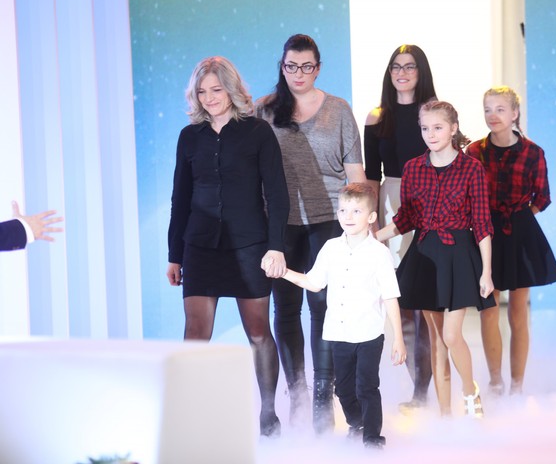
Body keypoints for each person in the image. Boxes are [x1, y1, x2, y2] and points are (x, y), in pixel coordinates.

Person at [166, 56, 289, 437]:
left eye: (216, 89)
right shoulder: (190, 137)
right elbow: (180, 198)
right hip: (200, 246)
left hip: (250, 246)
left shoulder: (258, 132)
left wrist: (276, 247)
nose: (209, 98)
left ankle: (268, 414)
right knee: (195, 332)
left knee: (258, 332)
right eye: (202, 92)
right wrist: (174, 255)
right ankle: (193, 416)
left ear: (231, 89)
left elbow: (277, 194)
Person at [255, 34, 367, 434]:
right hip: (279, 223)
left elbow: (355, 174)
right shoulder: (264, 111)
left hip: (328, 220)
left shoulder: (338, 109)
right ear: (282, 67)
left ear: (318, 68)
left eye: (306, 66)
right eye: (291, 66)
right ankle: (297, 392)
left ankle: (323, 394)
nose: (298, 74)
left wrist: (361, 226)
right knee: (285, 308)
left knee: (323, 306)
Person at [376, 100, 495, 418]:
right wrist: (373, 238)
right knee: (437, 339)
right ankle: (444, 415)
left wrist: (486, 272)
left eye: (438, 127)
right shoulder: (413, 168)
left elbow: (482, 223)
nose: (430, 134)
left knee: (451, 335)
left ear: (453, 128)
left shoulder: (471, 168)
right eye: (425, 128)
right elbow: (406, 218)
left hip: (459, 255)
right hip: (425, 254)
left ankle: (470, 392)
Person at [265, 182, 406, 448]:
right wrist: (282, 271)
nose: (348, 216)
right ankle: (357, 422)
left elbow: (390, 297)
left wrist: (398, 339)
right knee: (343, 389)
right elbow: (314, 282)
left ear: (371, 217)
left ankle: (373, 438)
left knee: (367, 387)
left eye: (356, 211)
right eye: (343, 210)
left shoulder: (379, 254)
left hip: (368, 334)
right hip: (339, 334)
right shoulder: (331, 248)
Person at [466, 86, 556, 396]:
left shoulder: (533, 152)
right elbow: (467, 195)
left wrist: (520, 217)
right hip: (485, 234)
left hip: (520, 233)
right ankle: (495, 382)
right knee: (488, 308)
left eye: (500, 109)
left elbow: (543, 197)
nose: (492, 115)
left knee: (518, 311)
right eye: (488, 110)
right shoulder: (474, 152)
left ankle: (517, 386)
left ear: (515, 113)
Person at [363, 44, 435, 411]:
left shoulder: (433, 112)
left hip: (430, 204)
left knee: (428, 305)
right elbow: (370, 177)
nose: (401, 73)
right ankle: (417, 390)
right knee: (401, 301)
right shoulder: (377, 117)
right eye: (395, 67)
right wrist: (372, 224)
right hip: (391, 205)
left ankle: (432, 386)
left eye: (409, 66)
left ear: (421, 72)